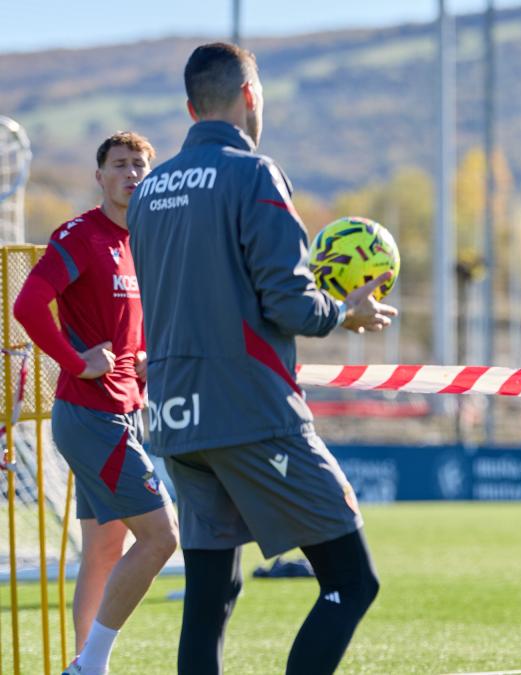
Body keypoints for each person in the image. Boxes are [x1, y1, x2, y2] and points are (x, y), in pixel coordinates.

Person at [125, 42, 395, 675]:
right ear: (251, 97)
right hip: (250, 411)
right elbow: (292, 304)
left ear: (191, 107)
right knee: (351, 581)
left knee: (211, 596)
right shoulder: (254, 174)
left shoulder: (150, 190)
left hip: (172, 417)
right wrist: (344, 312)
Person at [13, 131, 180, 675]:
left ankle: (85, 666)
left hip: (123, 412)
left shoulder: (146, 242)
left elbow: (133, 333)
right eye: (120, 165)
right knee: (160, 537)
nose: (132, 174)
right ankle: (90, 665)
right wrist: (75, 359)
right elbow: (29, 303)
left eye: (140, 166)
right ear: (100, 176)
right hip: (90, 415)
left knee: (106, 548)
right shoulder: (82, 235)